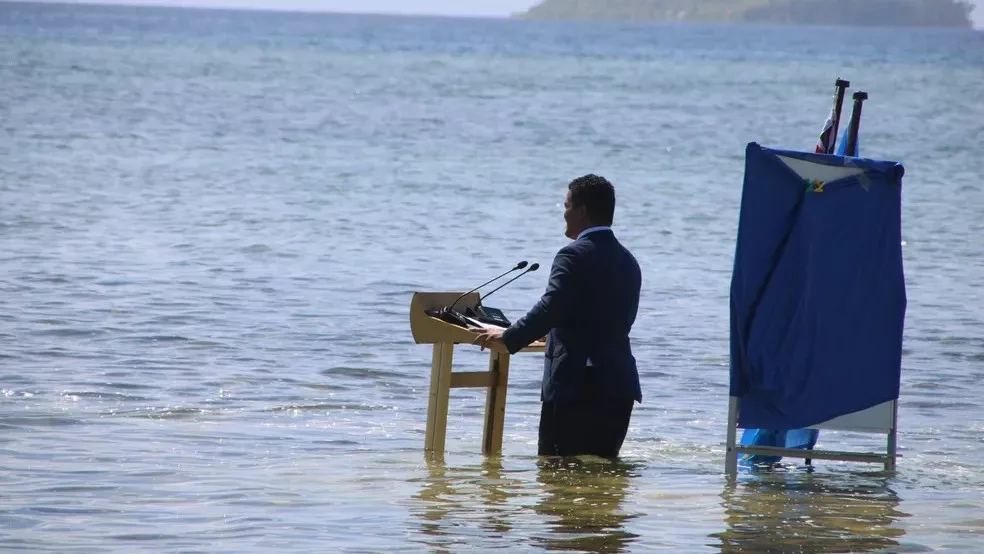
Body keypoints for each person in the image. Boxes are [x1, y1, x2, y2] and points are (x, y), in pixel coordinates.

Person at [472, 174, 642, 458]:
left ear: (582, 210)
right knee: (602, 488)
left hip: (577, 388)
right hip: (618, 386)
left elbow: (551, 306)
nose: (563, 213)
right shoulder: (628, 260)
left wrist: (509, 335)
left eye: (566, 206)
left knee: (556, 479)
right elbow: (605, 318)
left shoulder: (572, 255)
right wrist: (552, 331)